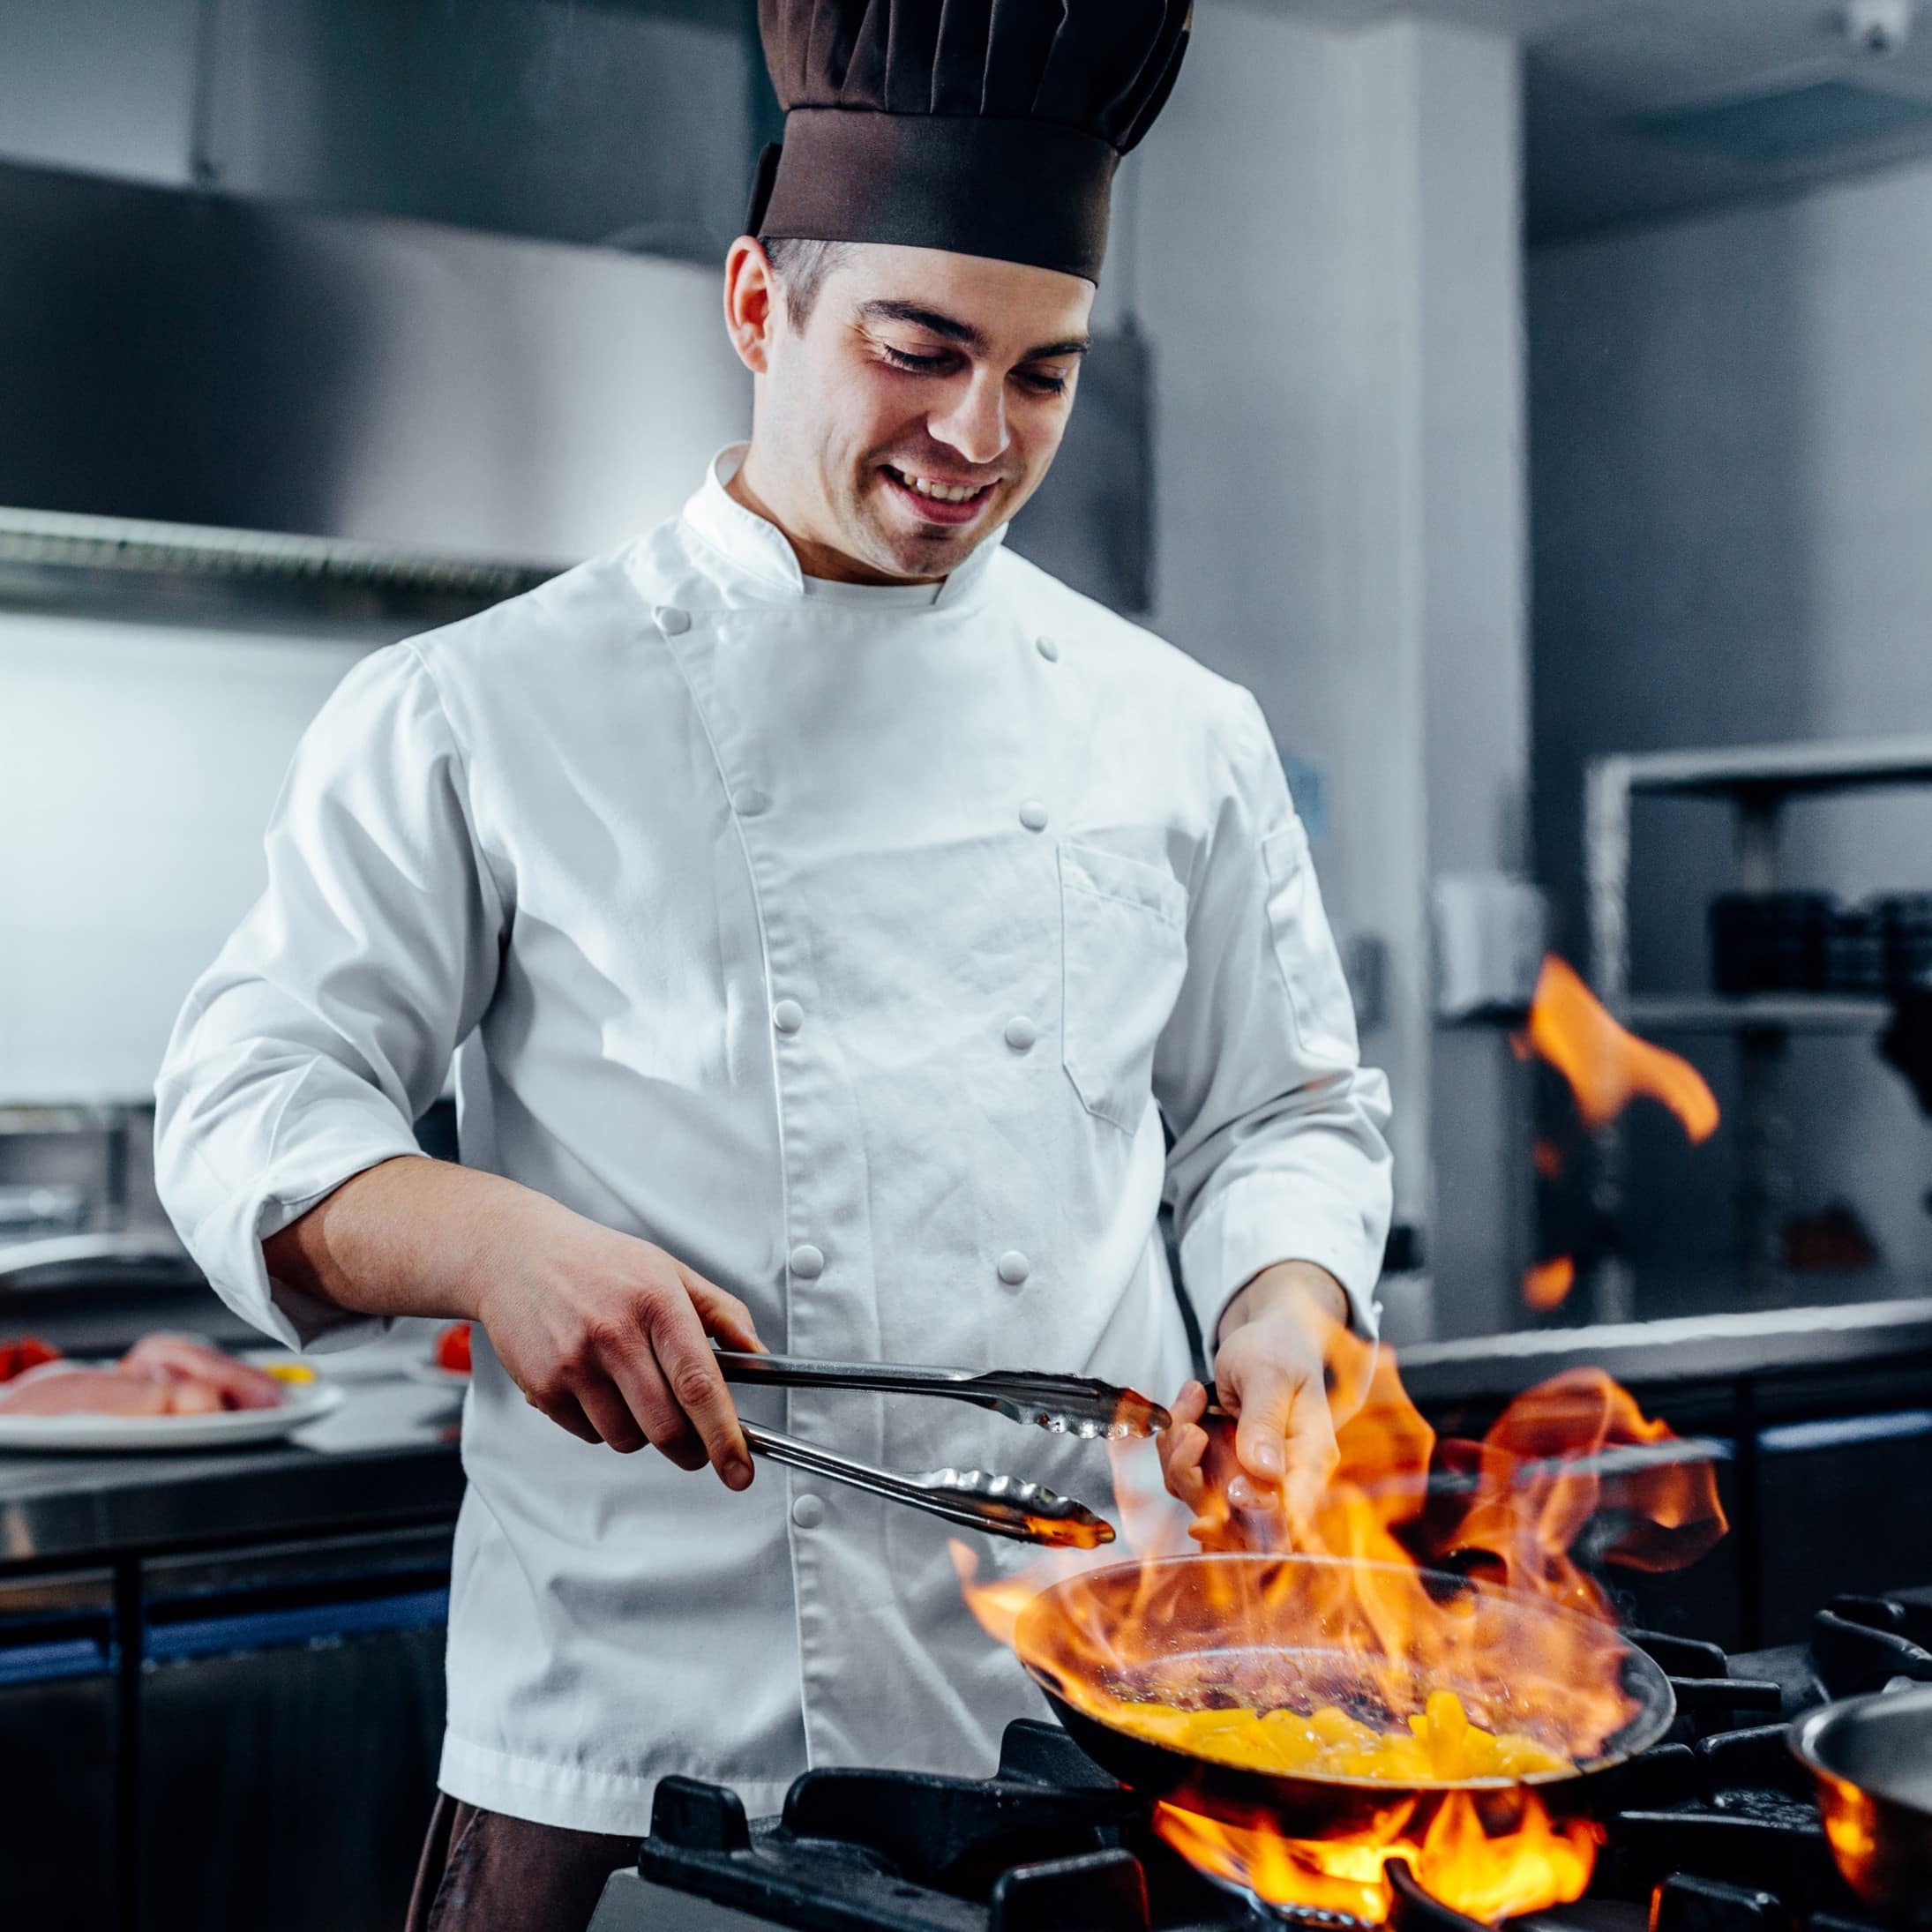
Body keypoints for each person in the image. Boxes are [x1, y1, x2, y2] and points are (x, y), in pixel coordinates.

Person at [153, 3, 1392, 1925]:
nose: (977, 440)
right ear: (758, 306)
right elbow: (248, 1102)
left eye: (1044, 375)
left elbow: (1282, 1114)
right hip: (639, 1753)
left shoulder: (1176, 728)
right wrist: (496, 1244)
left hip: (1105, 1716)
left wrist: (1281, 1315)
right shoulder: (482, 710)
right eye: (920, 352)